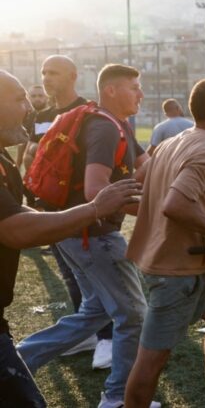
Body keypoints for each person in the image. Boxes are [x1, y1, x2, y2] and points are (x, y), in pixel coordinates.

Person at [0, 69, 142, 408]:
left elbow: (19, 219)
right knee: (134, 314)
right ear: (111, 91)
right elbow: (15, 230)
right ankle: (118, 398)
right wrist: (93, 210)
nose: (29, 108)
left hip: (75, 235)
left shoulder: (113, 124)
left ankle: (23, 357)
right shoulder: (105, 126)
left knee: (95, 312)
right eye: (19, 99)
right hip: (93, 237)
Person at [125, 79, 205, 408]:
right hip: (174, 273)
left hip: (175, 262)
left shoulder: (175, 140)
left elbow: (140, 184)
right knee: (150, 365)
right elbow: (176, 205)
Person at [22, 56, 115, 367]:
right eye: (44, 72)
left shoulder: (88, 114)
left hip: (80, 210)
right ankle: (87, 335)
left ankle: (107, 338)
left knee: (96, 279)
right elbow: (31, 156)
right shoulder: (40, 116)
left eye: (54, 72)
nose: (47, 78)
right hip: (50, 210)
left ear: (74, 76)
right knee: (71, 275)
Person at [15, 85, 48, 169]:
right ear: (28, 98)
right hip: (30, 161)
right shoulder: (25, 117)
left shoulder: (53, 115)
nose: (37, 99)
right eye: (33, 96)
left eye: (40, 96)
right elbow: (22, 143)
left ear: (46, 97)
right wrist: (17, 165)